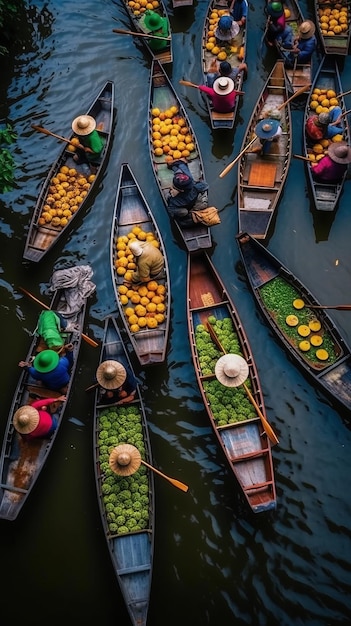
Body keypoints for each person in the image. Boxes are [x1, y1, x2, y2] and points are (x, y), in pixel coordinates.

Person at [166, 159, 209, 227]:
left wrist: (170, 196)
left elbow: (171, 209)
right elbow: (181, 166)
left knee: (184, 212)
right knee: (203, 200)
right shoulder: (189, 179)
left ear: (181, 190)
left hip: (188, 204)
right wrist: (173, 165)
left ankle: (191, 212)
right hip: (193, 199)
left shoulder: (176, 200)